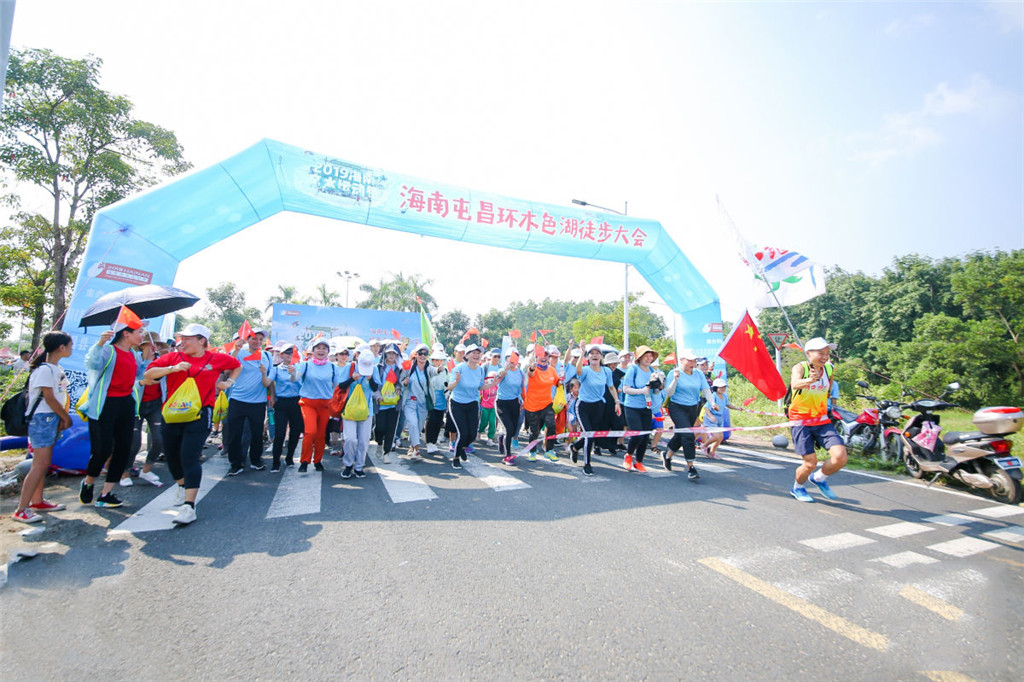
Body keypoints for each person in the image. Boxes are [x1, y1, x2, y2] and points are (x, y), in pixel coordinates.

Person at [144, 324, 240, 525]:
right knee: (172, 457)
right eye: (182, 338)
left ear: (202, 340)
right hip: (171, 414)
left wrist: (228, 383)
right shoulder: (173, 357)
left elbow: (237, 365)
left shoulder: (216, 358)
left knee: (189, 456)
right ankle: (181, 485)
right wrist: (172, 369)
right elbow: (149, 375)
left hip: (200, 413)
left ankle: (189, 506)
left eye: (188, 338)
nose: (182, 342)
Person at [79, 324, 146, 509]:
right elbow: (92, 364)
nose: (141, 336)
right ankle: (88, 482)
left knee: (124, 448)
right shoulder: (108, 350)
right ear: (126, 333)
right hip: (104, 405)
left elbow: (140, 374)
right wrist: (100, 342)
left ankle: (106, 494)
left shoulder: (133, 354)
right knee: (103, 449)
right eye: (138, 332)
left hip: (126, 404)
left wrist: (149, 356)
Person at [12, 332, 73, 523]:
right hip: (42, 420)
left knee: (43, 463)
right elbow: (49, 397)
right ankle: (21, 508)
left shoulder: (56, 369)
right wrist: (65, 417)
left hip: (51, 419)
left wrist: (62, 416)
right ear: (61, 347)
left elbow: (60, 394)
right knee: (39, 464)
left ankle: (37, 501)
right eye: (70, 345)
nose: (72, 348)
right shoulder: (45, 370)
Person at [789, 337, 847, 502]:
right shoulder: (801, 367)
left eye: (827, 353)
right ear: (808, 353)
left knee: (840, 457)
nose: (825, 357)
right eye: (821, 353)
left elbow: (828, 390)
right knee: (810, 463)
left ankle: (819, 478)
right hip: (801, 421)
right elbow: (795, 384)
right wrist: (809, 381)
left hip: (821, 420)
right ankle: (798, 487)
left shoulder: (829, 369)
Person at [290, 338, 343, 473]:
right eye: (318, 348)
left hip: (325, 405)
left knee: (320, 435)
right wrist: (292, 373)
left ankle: (318, 461)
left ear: (328, 352)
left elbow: (337, 386)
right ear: (312, 351)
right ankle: (304, 461)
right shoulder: (305, 365)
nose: (321, 350)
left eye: (324, 348)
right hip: (308, 403)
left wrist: (334, 400)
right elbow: (295, 378)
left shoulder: (332, 367)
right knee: (310, 432)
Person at [664, 350, 718, 481]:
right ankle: (691, 467)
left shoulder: (699, 374)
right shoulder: (674, 373)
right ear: (682, 360)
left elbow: (705, 389)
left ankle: (667, 455)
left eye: (694, 361)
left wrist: (712, 403)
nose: (692, 364)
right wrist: (675, 380)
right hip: (677, 406)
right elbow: (669, 393)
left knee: (681, 434)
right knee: (688, 435)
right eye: (689, 361)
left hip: (693, 407)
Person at [225, 329, 273, 476]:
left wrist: (272, 397)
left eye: (260, 339)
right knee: (235, 434)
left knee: (257, 434)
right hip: (238, 400)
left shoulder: (267, 356)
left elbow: (270, 379)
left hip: (258, 402)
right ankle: (235, 463)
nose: (257, 342)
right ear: (247, 339)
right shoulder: (239, 353)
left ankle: (256, 460)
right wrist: (235, 350)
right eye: (254, 338)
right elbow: (227, 370)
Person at [568, 343, 621, 475]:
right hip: (583, 406)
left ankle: (574, 447)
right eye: (592, 353)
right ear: (588, 357)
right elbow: (578, 370)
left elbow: (611, 387)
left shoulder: (606, 371)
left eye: (597, 353)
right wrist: (582, 352)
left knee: (592, 435)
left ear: (601, 356)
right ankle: (587, 463)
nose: (594, 355)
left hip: (598, 406)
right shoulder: (585, 370)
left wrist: (617, 401)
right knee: (589, 434)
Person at [446, 344, 495, 469]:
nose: (476, 355)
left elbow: (479, 387)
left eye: (478, 353)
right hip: (457, 403)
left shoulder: (480, 370)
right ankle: (456, 458)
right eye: (473, 352)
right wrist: (456, 381)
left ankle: (462, 448)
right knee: (462, 432)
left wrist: (492, 384)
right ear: (466, 355)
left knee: (472, 434)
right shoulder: (459, 368)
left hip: (472, 403)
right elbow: (449, 387)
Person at [127, 332, 166, 487]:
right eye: (149, 344)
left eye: (155, 344)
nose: (153, 347)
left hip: (155, 405)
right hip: (136, 404)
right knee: (134, 443)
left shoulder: (161, 362)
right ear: (141, 346)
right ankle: (125, 471)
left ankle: (147, 469)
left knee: (159, 439)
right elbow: (133, 380)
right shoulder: (134, 360)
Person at [338, 345, 379, 478]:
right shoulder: (349, 367)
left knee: (363, 440)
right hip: (350, 409)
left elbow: (375, 388)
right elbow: (340, 385)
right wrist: (352, 379)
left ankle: (359, 466)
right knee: (350, 439)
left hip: (366, 410)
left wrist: (370, 378)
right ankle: (348, 464)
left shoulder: (374, 369)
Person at [620, 345, 659, 473]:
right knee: (637, 434)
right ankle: (628, 455)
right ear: (639, 357)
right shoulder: (633, 370)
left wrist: (659, 386)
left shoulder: (653, 371)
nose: (649, 358)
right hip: (632, 406)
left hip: (647, 407)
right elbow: (626, 389)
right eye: (646, 356)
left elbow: (656, 392)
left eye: (650, 356)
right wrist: (641, 391)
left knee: (645, 436)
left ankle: (639, 462)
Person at [522, 345, 561, 462]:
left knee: (552, 426)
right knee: (535, 431)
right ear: (536, 357)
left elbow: (557, 383)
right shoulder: (532, 368)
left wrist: (561, 381)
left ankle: (549, 450)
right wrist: (532, 368)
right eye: (541, 356)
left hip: (547, 404)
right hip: (532, 406)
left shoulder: (552, 370)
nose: (544, 358)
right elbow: (531, 374)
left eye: (546, 355)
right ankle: (532, 452)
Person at [268, 343, 302, 471]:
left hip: (296, 402)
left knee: (295, 432)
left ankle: (289, 458)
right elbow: (269, 381)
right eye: (287, 353)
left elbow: (298, 381)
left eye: (291, 353)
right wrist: (272, 395)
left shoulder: (299, 367)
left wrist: (293, 372)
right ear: (281, 355)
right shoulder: (276, 369)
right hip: (281, 403)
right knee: (280, 433)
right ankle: (276, 461)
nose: (289, 355)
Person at [400, 343, 431, 461]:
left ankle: (412, 446)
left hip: (423, 403)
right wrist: (405, 382)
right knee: (412, 423)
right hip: (410, 401)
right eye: (420, 353)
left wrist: (440, 369)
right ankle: (416, 450)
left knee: (418, 426)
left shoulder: (429, 368)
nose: (423, 356)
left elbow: (436, 372)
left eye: (425, 354)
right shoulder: (408, 367)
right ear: (416, 355)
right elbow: (401, 380)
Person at [494, 348, 525, 466]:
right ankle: (507, 456)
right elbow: (499, 377)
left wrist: (523, 401)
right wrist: (506, 368)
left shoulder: (520, 373)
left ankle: (502, 437)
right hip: (502, 403)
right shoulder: (502, 370)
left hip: (514, 403)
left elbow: (521, 389)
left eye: (515, 357)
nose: (512, 360)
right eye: (509, 357)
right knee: (509, 429)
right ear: (506, 359)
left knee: (513, 430)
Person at [373, 343, 403, 464]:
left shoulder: (399, 368)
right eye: (389, 353)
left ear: (397, 355)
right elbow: (375, 383)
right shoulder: (378, 367)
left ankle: (387, 453)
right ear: (385, 353)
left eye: (394, 353)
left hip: (394, 404)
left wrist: (400, 387)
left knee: (391, 429)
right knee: (380, 428)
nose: (391, 355)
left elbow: (401, 382)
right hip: (380, 403)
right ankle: (379, 443)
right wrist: (377, 395)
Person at [702, 378, 738, 459]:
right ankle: (704, 446)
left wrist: (737, 408)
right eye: (721, 387)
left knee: (720, 437)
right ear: (715, 388)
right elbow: (706, 407)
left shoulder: (724, 396)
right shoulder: (713, 396)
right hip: (711, 418)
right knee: (716, 436)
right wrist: (711, 416)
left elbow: (728, 405)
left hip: (719, 418)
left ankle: (712, 452)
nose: (723, 389)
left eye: (724, 387)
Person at [424, 349, 449, 455]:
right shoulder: (428, 369)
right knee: (431, 420)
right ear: (432, 360)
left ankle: (434, 441)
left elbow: (447, 384)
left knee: (438, 421)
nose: (438, 362)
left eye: (440, 360)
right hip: (431, 398)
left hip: (442, 399)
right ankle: (429, 442)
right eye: (436, 360)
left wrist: (447, 396)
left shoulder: (446, 371)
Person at [478, 350, 501, 446]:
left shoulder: (498, 387)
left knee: (492, 422)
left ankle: (490, 438)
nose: (496, 358)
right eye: (495, 356)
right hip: (484, 406)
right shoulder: (484, 386)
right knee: (483, 422)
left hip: (493, 407)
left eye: (498, 356)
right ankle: (479, 432)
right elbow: (479, 392)